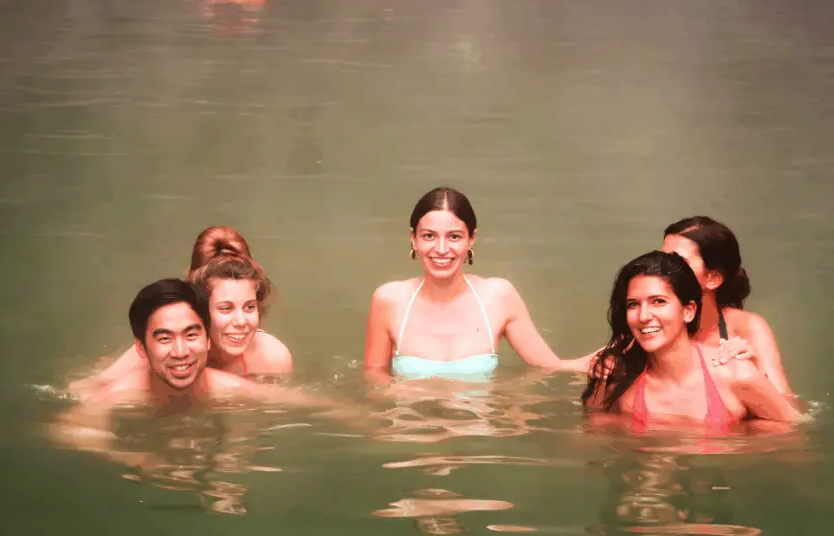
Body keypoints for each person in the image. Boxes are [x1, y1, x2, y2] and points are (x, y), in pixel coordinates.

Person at [50, 279, 326, 466]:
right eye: (165, 338)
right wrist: (138, 459)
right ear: (142, 349)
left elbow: (316, 405)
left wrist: (366, 419)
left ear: (208, 339)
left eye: (191, 335)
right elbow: (65, 432)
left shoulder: (233, 388)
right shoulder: (119, 394)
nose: (181, 351)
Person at [364, 187, 599, 381]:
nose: (442, 249)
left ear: (471, 239)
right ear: (413, 239)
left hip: (478, 431)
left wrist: (603, 361)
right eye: (429, 236)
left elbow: (550, 367)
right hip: (411, 430)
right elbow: (374, 381)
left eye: (454, 236)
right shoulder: (390, 300)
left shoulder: (498, 296)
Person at [581, 251, 803, 433]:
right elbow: (593, 439)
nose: (644, 316)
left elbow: (796, 439)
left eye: (658, 301)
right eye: (633, 304)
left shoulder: (736, 375)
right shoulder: (615, 378)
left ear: (688, 311)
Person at [68, 227, 291, 397]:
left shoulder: (272, 357)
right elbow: (85, 389)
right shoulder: (160, 351)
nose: (241, 321)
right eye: (225, 308)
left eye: (249, 307)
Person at [661, 216, 794, 396]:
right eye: (661, 260)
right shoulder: (649, 320)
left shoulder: (747, 327)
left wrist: (756, 370)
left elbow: (789, 409)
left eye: (678, 263)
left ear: (712, 278)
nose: (661, 271)